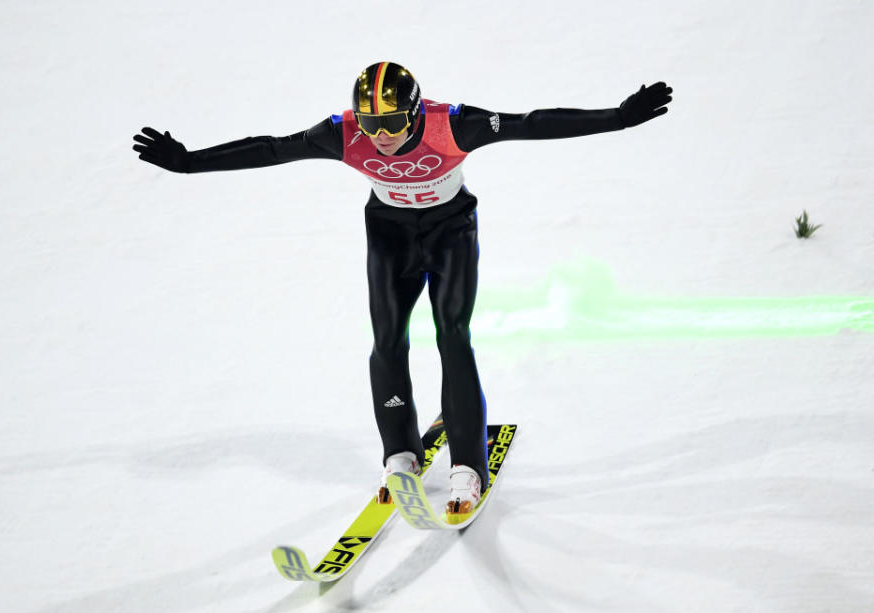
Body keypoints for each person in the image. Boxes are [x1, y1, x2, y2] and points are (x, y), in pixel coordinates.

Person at [133, 61, 673, 516]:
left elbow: (531, 123)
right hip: (389, 235)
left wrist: (618, 119)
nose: (381, 134)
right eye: (371, 122)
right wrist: (189, 163)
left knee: (452, 336)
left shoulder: (453, 125)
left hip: (449, 233)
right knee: (388, 340)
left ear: (414, 111)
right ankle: (400, 454)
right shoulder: (343, 133)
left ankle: (466, 466)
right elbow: (273, 149)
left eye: (391, 120)